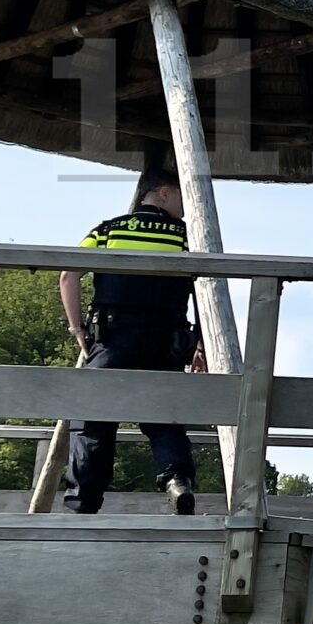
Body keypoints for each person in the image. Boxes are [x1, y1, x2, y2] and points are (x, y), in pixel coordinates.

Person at [59, 168, 205, 515]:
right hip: (167, 342)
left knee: (93, 420)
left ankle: (83, 504)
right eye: (183, 196)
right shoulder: (186, 236)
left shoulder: (108, 229)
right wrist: (199, 344)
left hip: (113, 338)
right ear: (163, 193)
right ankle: (177, 480)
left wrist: (78, 330)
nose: (188, 207)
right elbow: (204, 288)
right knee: (164, 418)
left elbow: (68, 273)